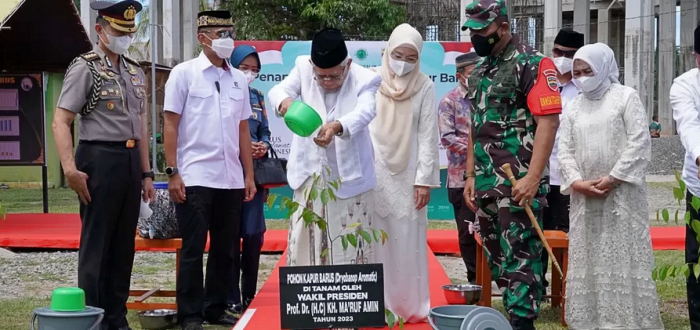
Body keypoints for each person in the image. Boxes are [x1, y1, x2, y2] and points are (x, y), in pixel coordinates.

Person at [52, 1, 155, 329]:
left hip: (128, 162)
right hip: (98, 159)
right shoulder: (86, 67)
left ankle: (116, 317)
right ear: (100, 30)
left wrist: (147, 173)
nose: (124, 38)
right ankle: (93, 318)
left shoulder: (135, 70)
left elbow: (140, 125)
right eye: (117, 31)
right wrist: (69, 169)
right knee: (97, 245)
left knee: (124, 246)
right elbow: (61, 120)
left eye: (128, 32)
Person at [461, 1, 561, 328]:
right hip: (488, 181)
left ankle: (522, 323)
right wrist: (471, 174)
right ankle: (513, 317)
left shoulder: (533, 63)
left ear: (503, 28)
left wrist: (533, 178)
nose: (476, 36)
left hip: (518, 182)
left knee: (522, 257)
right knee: (498, 258)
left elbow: (547, 122)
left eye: (483, 30)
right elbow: (476, 125)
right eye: (472, 30)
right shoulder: (479, 70)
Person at [557, 43, 664, 329]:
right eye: (577, 72)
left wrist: (613, 177)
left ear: (603, 67)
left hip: (622, 197)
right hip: (585, 199)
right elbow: (564, 149)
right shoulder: (574, 106)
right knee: (590, 256)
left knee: (622, 254)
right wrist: (578, 183)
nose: (581, 77)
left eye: (587, 71)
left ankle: (625, 321)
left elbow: (639, 142)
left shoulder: (625, 97)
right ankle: (591, 321)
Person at [163, 10, 256, 330]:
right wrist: (172, 171)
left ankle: (215, 307)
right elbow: (170, 124)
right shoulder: (184, 73)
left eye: (230, 32)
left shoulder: (238, 79)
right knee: (192, 247)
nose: (226, 39)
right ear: (203, 37)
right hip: (195, 175)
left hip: (230, 177)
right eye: (220, 33)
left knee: (225, 248)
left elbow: (243, 129)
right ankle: (190, 314)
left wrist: (248, 174)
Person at [267, 28, 381, 267]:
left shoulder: (366, 78)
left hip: (350, 180)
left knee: (349, 248)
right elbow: (278, 91)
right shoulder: (302, 67)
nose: (327, 82)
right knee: (306, 246)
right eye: (321, 76)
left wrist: (338, 126)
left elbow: (366, 111)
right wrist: (285, 102)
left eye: (334, 76)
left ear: (347, 64)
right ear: (312, 66)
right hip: (309, 176)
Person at [369, 23, 440, 323]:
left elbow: (427, 136)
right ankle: (374, 305)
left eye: (412, 57)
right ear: (388, 50)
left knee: (406, 239)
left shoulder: (424, 85)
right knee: (373, 239)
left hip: (408, 174)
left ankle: (408, 306)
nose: (404, 62)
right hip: (373, 171)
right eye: (399, 54)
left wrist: (423, 180)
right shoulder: (370, 78)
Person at [227, 45, 270, 314]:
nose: (249, 74)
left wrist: (262, 145)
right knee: (229, 236)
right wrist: (243, 146)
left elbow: (265, 131)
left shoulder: (257, 96)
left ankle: (248, 293)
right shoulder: (224, 94)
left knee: (254, 235)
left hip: (255, 176)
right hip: (229, 174)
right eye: (244, 68)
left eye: (254, 70)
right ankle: (230, 295)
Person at [542, 28, 583, 290]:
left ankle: (567, 287)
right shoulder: (541, 83)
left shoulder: (584, 88)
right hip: (543, 173)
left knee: (570, 233)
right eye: (557, 52)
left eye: (568, 54)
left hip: (572, 176)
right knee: (541, 233)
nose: (561, 58)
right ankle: (539, 285)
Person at [438, 52, 481, 284]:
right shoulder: (449, 102)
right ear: (460, 75)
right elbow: (448, 139)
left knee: (490, 230)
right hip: (459, 178)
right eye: (472, 73)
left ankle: (494, 276)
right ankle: (473, 277)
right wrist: (480, 151)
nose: (477, 77)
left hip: (488, 178)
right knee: (467, 233)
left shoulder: (487, 98)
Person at [670, 24, 700, 330]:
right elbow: (689, 125)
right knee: (698, 261)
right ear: (696, 57)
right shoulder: (685, 85)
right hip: (699, 186)